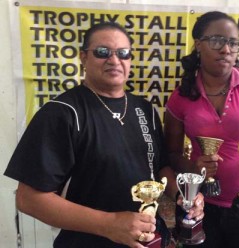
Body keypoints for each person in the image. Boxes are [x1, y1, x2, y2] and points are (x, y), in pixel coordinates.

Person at [4, 22, 204, 248]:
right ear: (83, 57)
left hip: (149, 240)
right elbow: (29, 199)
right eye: (102, 52)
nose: (114, 60)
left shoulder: (145, 109)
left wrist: (184, 195)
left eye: (123, 53)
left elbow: (160, 168)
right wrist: (109, 223)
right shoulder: (62, 112)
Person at [164, 11, 239, 248]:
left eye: (233, 43)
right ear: (198, 45)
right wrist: (195, 167)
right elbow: (170, 154)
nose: (226, 49)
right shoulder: (181, 97)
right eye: (217, 41)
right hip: (201, 206)